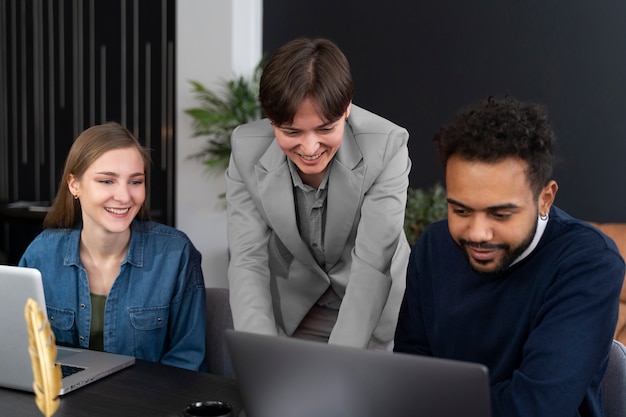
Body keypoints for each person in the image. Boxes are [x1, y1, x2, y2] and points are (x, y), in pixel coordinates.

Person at [394, 96, 625, 416]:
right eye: (460, 210)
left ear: (545, 199)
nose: (477, 233)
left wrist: (433, 400)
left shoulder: (589, 264)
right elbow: (408, 376)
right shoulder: (433, 246)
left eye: (500, 214)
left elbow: (536, 408)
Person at [225, 37, 411, 349]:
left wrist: (334, 365)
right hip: (299, 314)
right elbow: (248, 259)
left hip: (374, 317)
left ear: (347, 106)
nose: (310, 149)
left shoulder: (387, 146)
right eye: (291, 132)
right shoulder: (245, 149)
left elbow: (372, 264)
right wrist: (261, 355)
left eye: (325, 129)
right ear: (271, 120)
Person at [19, 122, 207, 371]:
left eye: (135, 182)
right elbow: (20, 351)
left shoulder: (175, 254)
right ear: (74, 185)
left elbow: (188, 363)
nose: (124, 196)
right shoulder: (41, 255)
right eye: (107, 181)